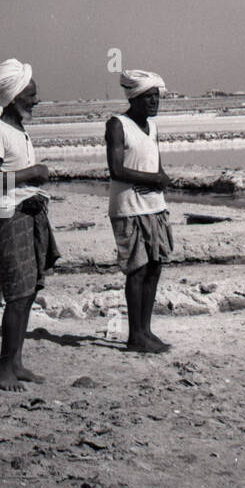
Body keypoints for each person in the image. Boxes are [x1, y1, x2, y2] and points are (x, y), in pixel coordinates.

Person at [0, 59, 58, 392]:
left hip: (28, 213)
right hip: (9, 215)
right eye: (31, 94)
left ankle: (16, 362)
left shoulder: (18, 131)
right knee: (17, 293)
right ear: (13, 97)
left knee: (27, 292)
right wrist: (32, 174)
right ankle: (2, 368)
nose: (36, 100)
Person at [106, 70, 173, 353]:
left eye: (157, 96)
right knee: (137, 269)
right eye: (149, 97)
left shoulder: (153, 127)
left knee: (155, 266)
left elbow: (154, 163)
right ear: (134, 98)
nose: (154, 102)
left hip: (154, 206)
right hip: (129, 209)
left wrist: (160, 179)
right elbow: (116, 169)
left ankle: (145, 330)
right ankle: (135, 335)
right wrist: (152, 180)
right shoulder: (117, 124)